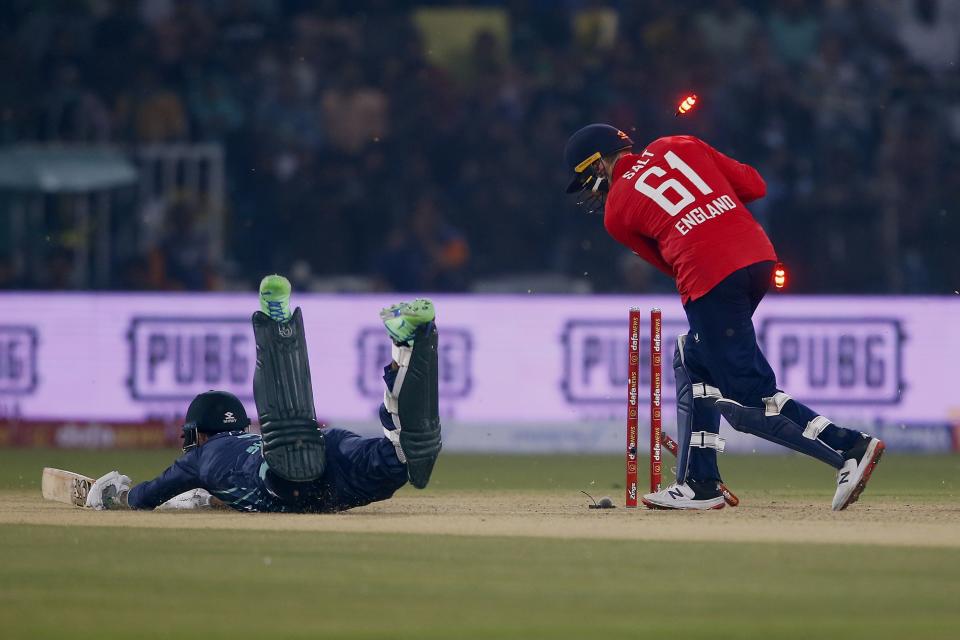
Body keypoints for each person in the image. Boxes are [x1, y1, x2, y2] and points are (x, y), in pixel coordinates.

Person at [563, 124, 885, 511]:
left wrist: (701, 249)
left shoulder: (616, 212)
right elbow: (754, 186)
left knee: (749, 398)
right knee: (694, 358)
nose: (591, 190)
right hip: (758, 258)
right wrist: (712, 208)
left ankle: (848, 446)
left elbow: (667, 263)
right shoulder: (677, 143)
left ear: (598, 164)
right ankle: (700, 483)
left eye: (587, 178)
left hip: (710, 278)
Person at [85, 275, 442, 513]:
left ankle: (277, 322)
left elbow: (148, 496)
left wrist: (116, 494)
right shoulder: (245, 442)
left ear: (202, 432)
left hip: (286, 476)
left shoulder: (200, 457)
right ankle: (405, 344)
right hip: (329, 450)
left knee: (291, 470)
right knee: (399, 457)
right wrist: (208, 499)